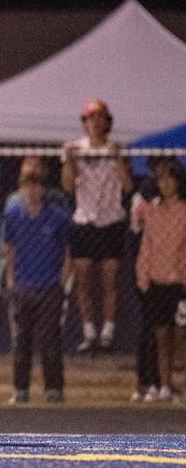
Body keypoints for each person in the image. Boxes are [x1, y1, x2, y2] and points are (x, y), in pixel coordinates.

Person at [62, 99, 133, 353]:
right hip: (85, 221)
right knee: (83, 281)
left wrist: (118, 160)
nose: (96, 122)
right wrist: (70, 161)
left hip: (110, 220)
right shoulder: (75, 148)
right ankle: (89, 333)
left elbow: (128, 186)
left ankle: (107, 334)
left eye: (101, 117)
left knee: (109, 281)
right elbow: (68, 186)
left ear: (107, 122)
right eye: (91, 118)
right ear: (84, 123)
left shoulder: (116, 148)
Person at [2, 161, 72, 404]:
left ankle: (54, 388)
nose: (31, 191)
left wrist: (62, 279)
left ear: (43, 189)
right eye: (27, 186)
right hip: (23, 285)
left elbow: (67, 250)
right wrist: (11, 278)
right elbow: (10, 248)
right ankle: (20, 388)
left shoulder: (58, 217)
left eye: (36, 186)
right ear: (21, 188)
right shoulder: (13, 215)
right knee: (21, 341)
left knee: (50, 340)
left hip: (49, 286)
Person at [135, 159, 186, 402]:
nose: (165, 184)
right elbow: (147, 244)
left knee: (180, 335)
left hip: (180, 283)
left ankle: (180, 382)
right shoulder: (152, 211)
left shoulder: (184, 211)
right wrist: (143, 275)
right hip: (156, 281)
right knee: (161, 336)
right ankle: (164, 384)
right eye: (161, 179)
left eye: (170, 178)